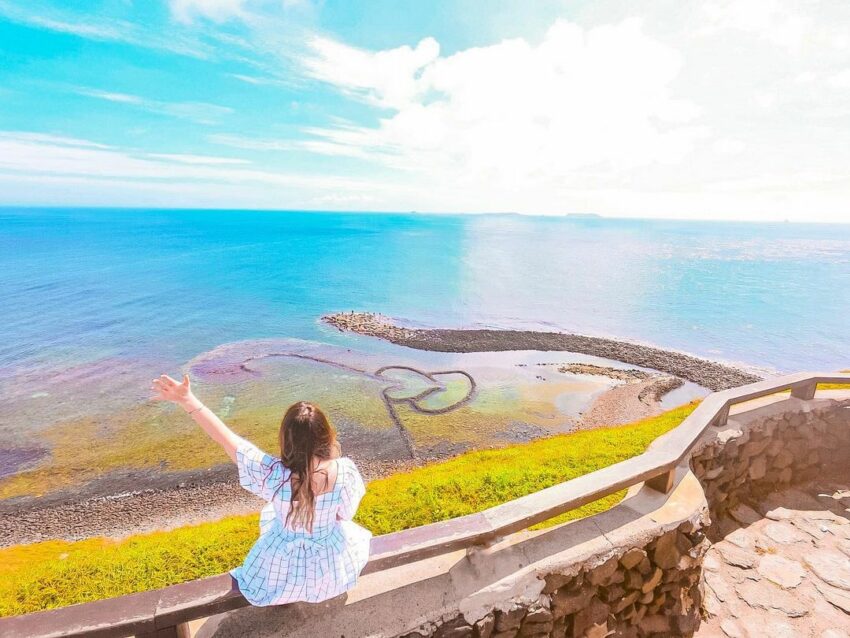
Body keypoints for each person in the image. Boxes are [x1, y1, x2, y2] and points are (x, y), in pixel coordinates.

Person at [150, 373, 372, 606]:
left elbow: (225, 438)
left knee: (271, 547)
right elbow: (345, 514)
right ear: (326, 435)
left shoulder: (272, 475)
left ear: (286, 440)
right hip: (329, 563)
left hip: (282, 562)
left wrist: (187, 399)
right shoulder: (345, 471)